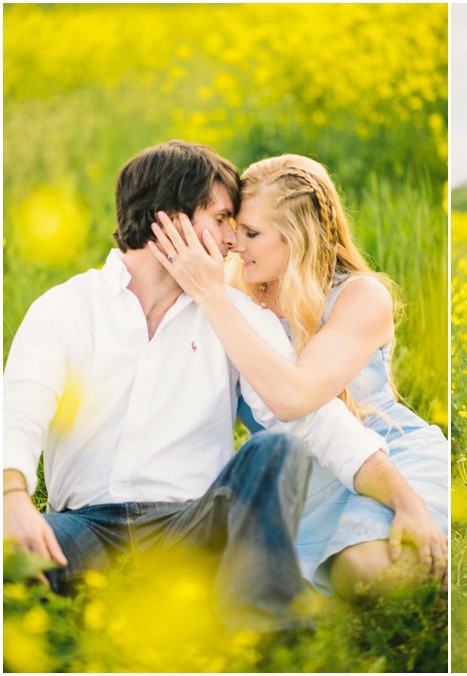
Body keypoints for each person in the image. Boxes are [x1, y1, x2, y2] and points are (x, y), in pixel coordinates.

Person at [2, 141, 429, 630]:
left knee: (274, 450)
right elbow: (19, 409)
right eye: (223, 218)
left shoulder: (234, 317)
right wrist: (12, 498)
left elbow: (316, 420)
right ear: (171, 220)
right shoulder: (66, 307)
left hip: (192, 527)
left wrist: (403, 499)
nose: (231, 240)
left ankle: (260, 631)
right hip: (84, 525)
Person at [148, 153, 449, 598]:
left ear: (298, 236)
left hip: (388, 455)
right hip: (294, 481)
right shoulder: (234, 300)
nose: (235, 244)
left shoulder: (359, 297)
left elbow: (296, 396)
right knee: (350, 577)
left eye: (251, 233)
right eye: (231, 227)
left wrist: (212, 296)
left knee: (371, 570)